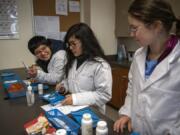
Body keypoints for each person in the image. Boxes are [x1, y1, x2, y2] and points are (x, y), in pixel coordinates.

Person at [114, 0, 180, 134]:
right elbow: (132, 89)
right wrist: (127, 113)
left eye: (134, 28)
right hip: (137, 130)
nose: (131, 34)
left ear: (156, 26)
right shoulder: (139, 55)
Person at [55, 23, 112, 114]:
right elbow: (70, 81)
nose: (70, 47)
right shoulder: (73, 61)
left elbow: (104, 95)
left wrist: (75, 98)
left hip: (92, 112)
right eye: (69, 44)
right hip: (73, 109)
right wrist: (63, 87)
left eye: (74, 44)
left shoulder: (100, 65)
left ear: (86, 42)